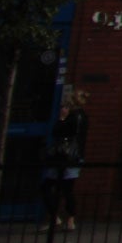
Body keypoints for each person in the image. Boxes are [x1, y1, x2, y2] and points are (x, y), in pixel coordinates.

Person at [42, 90, 89, 232]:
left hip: (64, 156)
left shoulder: (72, 117)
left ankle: (56, 217)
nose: (63, 107)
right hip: (75, 157)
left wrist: (61, 119)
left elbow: (57, 131)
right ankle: (70, 219)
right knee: (67, 188)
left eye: (66, 104)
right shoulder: (84, 117)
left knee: (47, 187)